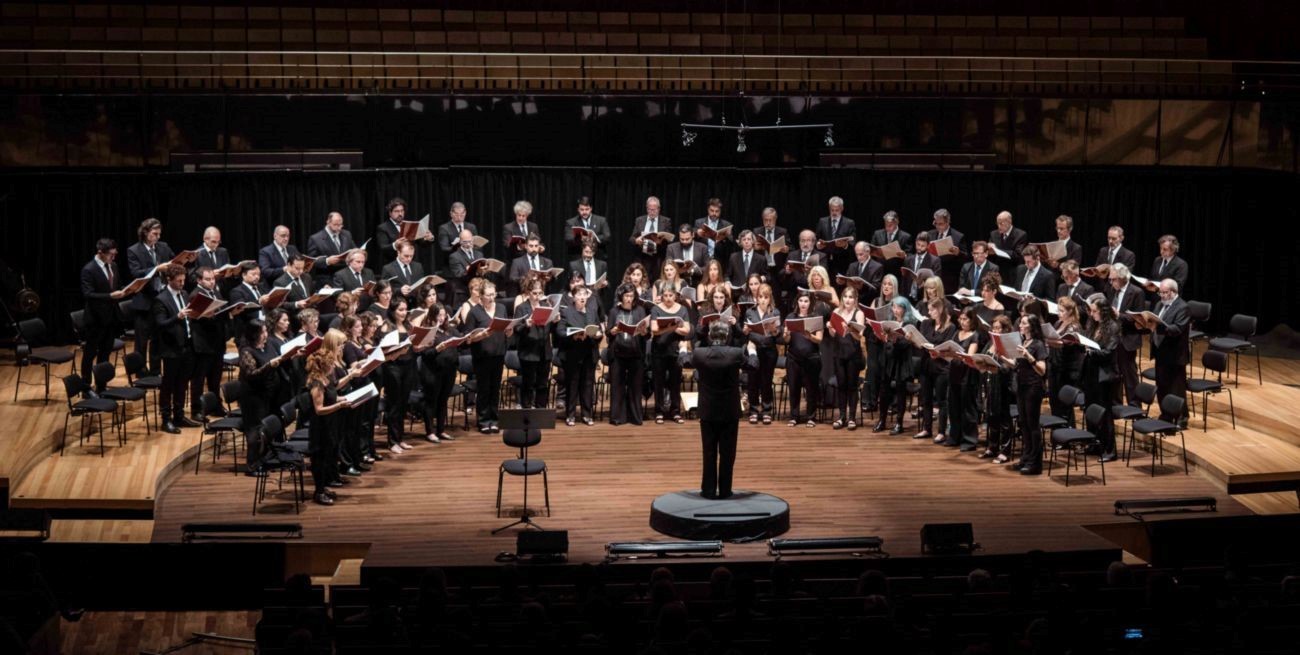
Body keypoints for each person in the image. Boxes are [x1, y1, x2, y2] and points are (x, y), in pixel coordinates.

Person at [692, 322, 753, 499]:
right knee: (728, 454)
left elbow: (683, 361)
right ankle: (725, 490)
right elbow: (753, 365)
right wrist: (752, 351)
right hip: (729, 410)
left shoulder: (699, 353)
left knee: (709, 453)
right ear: (727, 336)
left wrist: (681, 350)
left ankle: (708, 490)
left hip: (708, 410)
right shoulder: (736, 353)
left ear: (710, 336)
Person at [305, 329, 360, 505]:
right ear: (323, 366)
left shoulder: (325, 379)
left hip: (329, 423)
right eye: (330, 366)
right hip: (320, 427)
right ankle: (319, 492)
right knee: (319, 459)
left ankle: (323, 487)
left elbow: (332, 396)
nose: (332, 369)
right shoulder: (317, 383)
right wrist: (339, 405)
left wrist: (342, 399)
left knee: (327, 455)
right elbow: (319, 409)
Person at [152, 264, 199, 434]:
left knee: (182, 383)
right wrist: (177, 317)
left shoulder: (184, 294)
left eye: (183, 280)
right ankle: (166, 419)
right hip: (171, 348)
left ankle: (179, 416)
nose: (182, 283)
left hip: (186, 345)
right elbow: (160, 324)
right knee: (168, 385)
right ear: (169, 280)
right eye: (179, 281)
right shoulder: (161, 299)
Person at [1002, 315, 1049, 475]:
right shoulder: (1023, 342)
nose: (1020, 325)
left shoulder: (1038, 344)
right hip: (1021, 387)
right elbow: (1016, 365)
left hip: (1033, 387)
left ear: (1032, 326)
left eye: (1023, 323)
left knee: (1032, 425)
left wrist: (1029, 356)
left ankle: (1035, 463)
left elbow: (1042, 370)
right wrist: (1002, 357)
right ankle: (1026, 458)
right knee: (1023, 424)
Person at [126, 218, 174, 375]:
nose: (158, 237)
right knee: (141, 342)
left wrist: (183, 261)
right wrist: (156, 269)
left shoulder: (163, 247)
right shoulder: (134, 250)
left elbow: (173, 262)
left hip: (161, 300)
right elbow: (136, 273)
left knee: (157, 339)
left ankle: (155, 372)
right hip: (144, 302)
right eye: (155, 234)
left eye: (159, 234)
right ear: (145, 232)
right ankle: (140, 373)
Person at [189, 266, 238, 422]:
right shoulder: (196, 295)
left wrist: (229, 313)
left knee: (215, 377)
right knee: (199, 378)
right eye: (208, 279)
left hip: (217, 341)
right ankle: (197, 409)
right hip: (203, 342)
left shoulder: (215, 292)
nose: (212, 282)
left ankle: (216, 406)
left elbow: (220, 312)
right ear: (199, 280)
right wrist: (213, 316)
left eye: (213, 279)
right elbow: (197, 320)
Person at [465, 282, 513, 433]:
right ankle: (484, 421)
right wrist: (481, 335)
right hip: (482, 357)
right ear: (481, 296)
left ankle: (494, 419)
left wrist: (509, 332)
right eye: (488, 295)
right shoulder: (474, 312)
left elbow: (506, 330)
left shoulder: (501, 308)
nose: (492, 298)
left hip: (498, 354)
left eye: (494, 294)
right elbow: (468, 339)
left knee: (495, 389)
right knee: (484, 389)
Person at [238, 320, 283, 473]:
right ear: (254, 334)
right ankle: (252, 465)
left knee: (266, 428)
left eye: (266, 331)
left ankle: (265, 459)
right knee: (254, 431)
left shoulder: (268, 345)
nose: (266, 335)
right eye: (262, 332)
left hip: (268, 394)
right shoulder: (247, 351)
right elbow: (251, 375)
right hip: (253, 398)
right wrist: (269, 366)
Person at [80, 238, 127, 385]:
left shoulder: (113, 266)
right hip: (95, 319)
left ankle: (101, 385)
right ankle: (86, 386)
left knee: (105, 353)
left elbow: (117, 286)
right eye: (111, 255)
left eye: (115, 254)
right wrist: (110, 296)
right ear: (100, 253)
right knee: (90, 354)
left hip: (111, 318)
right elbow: (88, 294)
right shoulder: (89, 269)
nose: (113, 257)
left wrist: (127, 290)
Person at [1083, 295, 1122, 462]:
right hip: (1091, 373)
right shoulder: (1094, 325)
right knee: (1090, 409)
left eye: (1094, 311)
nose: (1092, 314)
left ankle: (1110, 450)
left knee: (1104, 413)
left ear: (1103, 311)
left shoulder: (1113, 327)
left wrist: (1091, 351)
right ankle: (1095, 444)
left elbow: (1109, 353)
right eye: (1091, 311)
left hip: (1104, 376)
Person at [824, 285, 867, 430]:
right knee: (841, 384)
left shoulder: (859, 313)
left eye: (850, 297)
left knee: (851, 386)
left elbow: (859, 336)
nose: (847, 300)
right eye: (845, 297)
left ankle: (852, 418)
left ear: (855, 299)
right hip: (839, 353)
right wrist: (830, 328)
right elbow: (833, 335)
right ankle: (842, 416)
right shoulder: (836, 311)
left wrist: (850, 330)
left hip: (853, 354)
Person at [1149, 279, 1190, 425]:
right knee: (1162, 386)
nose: (1161, 295)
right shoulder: (1160, 304)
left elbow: (1177, 329)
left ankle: (1181, 417)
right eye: (1160, 292)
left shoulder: (1183, 307)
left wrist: (1157, 326)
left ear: (1173, 292)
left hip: (1175, 355)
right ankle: (1166, 414)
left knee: (1176, 388)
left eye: (1164, 292)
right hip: (1160, 352)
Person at [945, 307, 987, 450]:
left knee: (967, 408)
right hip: (954, 373)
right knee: (954, 406)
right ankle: (954, 437)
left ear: (972, 320)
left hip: (967, 375)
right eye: (961, 319)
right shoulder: (956, 333)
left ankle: (969, 440)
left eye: (965, 319)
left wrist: (956, 354)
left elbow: (969, 356)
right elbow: (950, 352)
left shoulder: (974, 335)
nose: (962, 322)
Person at [606, 283, 649, 426]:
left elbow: (646, 335)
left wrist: (644, 332)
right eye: (626, 296)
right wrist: (612, 331)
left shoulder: (640, 311)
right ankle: (617, 417)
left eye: (631, 296)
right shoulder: (614, 311)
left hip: (635, 353)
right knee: (617, 387)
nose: (629, 299)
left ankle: (635, 417)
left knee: (635, 387)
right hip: (618, 353)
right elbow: (608, 332)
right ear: (621, 296)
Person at [417, 305, 461, 443]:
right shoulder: (428, 332)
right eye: (438, 315)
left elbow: (462, 340)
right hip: (432, 372)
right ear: (432, 316)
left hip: (449, 371)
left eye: (443, 315)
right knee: (431, 401)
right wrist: (437, 349)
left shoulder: (450, 329)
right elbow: (425, 354)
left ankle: (441, 430)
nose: (441, 318)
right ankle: (430, 432)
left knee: (443, 401)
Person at [559, 286, 602, 426]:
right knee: (572, 385)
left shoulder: (592, 311)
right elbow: (560, 331)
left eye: (584, 294)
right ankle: (570, 415)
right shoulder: (566, 312)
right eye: (579, 295)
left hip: (589, 352)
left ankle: (587, 414)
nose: (582, 297)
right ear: (573, 297)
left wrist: (598, 335)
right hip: (572, 353)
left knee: (588, 385)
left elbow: (598, 330)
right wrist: (574, 336)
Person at [650, 281, 691, 424]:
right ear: (662, 296)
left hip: (675, 350)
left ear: (675, 295)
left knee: (675, 382)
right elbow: (654, 330)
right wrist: (671, 328)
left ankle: (675, 411)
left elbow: (687, 330)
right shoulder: (656, 309)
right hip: (659, 350)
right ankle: (659, 411)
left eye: (670, 295)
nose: (668, 298)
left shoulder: (682, 309)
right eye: (665, 295)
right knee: (658, 382)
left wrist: (671, 328)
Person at [876, 297, 919, 434]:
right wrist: (884, 337)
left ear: (905, 309)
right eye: (893, 307)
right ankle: (882, 420)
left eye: (899, 307)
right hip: (889, 359)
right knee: (884, 390)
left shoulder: (910, 324)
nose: (895, 310)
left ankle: (899, 423)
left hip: (902, 361)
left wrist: (895, 340)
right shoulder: (890, 322)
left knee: (901, 392)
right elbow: (885, 342)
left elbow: (907, 344)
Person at [379, 298, 417, 452]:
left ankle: (400, 438)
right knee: (394, 404)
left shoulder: (408, 325)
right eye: (400, 310)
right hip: (393, 368)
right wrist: (399, 351)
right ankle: (392, 441)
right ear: (393, 311)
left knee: (403, 404)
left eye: (405, 309)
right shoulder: (387, 326)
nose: (404, 313)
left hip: (408, 366)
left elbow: (412, 347)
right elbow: (383, 351)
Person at [915, 297, 956, 441]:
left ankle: (941, 432)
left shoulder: (950, 327)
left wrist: (938, 352)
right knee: (926, 399)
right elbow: (921, 342)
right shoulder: (926, 323)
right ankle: (926, 429)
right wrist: (913, 339)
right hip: (926, 365)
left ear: (939, 310)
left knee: (941, 400)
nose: (929, 312)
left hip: (941, 367)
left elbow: (948, 347)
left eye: (932, 309)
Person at [782, 291, 823, 427]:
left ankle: (811, 417)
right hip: (793, 358)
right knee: (794, 388)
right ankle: (794, 416)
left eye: (806, 301)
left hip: (811, 358)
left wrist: (810, 337)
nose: (803, 304)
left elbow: (819, 339)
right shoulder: (791, 317)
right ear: (797, 302)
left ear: (810, 302)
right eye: (801, 301)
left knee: (811, 388)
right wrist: (786, 334)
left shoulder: (815, 317)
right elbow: (786, 340)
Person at [743, 282, 781, 425]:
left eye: (766, 297)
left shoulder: (775, 312)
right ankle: (753, 410)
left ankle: (766, 411)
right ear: (757, 298)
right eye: (760, 297)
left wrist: (775, 331)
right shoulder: (750, 312)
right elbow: (745, 332)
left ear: (770, 298)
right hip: (754, 349)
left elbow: (778, 334)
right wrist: (746, 330)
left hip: (769, 350)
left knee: (766, 381)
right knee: (753, 381)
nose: (763, 300)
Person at [513, 277, 554, 409]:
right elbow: (516, 329)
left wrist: (555, 320)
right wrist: (526, 324)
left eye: (540, 293)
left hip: (544, 351)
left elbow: (551, 329)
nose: (537, 296)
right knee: (528, 384)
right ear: (528, 293)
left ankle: (541, 410)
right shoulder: (521, 308)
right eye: (535, 293)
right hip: (529, 352)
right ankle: (527, 411)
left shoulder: (546, 306)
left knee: (542, 384)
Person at [1107, 263, 1145, 406]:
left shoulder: (1136, 292)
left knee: (1129, 376)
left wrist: (1119, 315)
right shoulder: (1112, 290)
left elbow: (1139, 318)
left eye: (1113, 279)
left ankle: (1135, 407)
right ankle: (1116, 405)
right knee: (1115, 373)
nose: (1111, 282)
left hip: (1127, 338)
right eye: (1110, 279)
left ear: (1123, 278)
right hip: (1113, 337)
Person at [981, 314, 1017, 463]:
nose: (995, 330)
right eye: (994, 328)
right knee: (992, 416)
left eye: (998, 328)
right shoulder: (991, 342)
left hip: (1003, 385)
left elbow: (1010, 368)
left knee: (1004, 418)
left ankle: (1005, 451)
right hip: (991, 383)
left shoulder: (1008, 345)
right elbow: (983, 356)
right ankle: (992, 447)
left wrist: (997, 364)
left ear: (1005, 329)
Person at [1047, 297, 1086, 428]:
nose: (1059, 313)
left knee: (1064, 403)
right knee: (1054, 401)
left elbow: (1063, 343)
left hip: (1066, 370)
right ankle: (1057, 430)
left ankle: (1067, 430)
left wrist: (1047, 340)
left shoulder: (1075, 327)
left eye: (1062, 311)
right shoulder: (1058, 323)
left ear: (1070, 311)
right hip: (1055, 366)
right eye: (1058, 310)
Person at [863, 273, 899, 413]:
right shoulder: (876, 301)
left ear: (895, 287)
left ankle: (890, 403)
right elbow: (870, 316)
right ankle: (871, 402)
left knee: (887, 371)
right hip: (875, 339)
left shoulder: (898, 303)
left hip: (889, 341)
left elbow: (899, 321)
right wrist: (869, 321)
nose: (886, 287)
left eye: (890, 284)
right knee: (873, 369)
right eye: (884, 284)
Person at [306, 211, 358, 286]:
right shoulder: (316, 238)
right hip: (328, 278)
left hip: (346, 276)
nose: (339, 228)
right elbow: (311, 261)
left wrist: (357, 253)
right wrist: (327, 261)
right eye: (335, 224)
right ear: (328, 222)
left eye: (340, 225)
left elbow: (354, 250)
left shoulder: (346, 234)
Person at [630, 195, 673, 277]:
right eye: (650, 209)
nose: (652, 212)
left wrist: (661, 241)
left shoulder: (666, 221)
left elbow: (669, 239)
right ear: (647, 209)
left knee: (657, 279)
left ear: (659, 209)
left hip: (658, 256)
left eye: (654, 209)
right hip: (643, 256)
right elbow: (632, 238)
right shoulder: (639, 220)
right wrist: (636, 240)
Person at [815, 196, 856, 277]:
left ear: (842, 208)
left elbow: (853, 242)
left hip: (842, 261)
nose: (834, 213)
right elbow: (816, 238)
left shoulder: (849, 223)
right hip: (825, 260)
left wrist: (845, 245)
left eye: (837, 210)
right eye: (832, 210)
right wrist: (818, 245)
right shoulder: (822, 221)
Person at [926, 208, 965, 293]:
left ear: (948, 222)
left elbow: (965, 258)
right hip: (932, 276)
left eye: (940, 224)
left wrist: (958, 253)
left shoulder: (958, 236)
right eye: (936, 223)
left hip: (949, 278)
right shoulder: (929, 234)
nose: (937, 226)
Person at [899, 232, 942, 301]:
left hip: (923, 298)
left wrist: (924, 284)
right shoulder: (908, 259)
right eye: (918, 244)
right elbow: (904, 281)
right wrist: (902, 297)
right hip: (908, 297)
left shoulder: (935, 261)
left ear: (928, 246)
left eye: (923, 246)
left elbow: (936, 282)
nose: (919, 248)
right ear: (915, 242)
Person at [694, 197, 735, 265]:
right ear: (708, 210)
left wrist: (726, 237)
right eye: (712, 211)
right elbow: (693, 239)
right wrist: (697, 233)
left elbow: (731, 244)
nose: (714, 213)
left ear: (720, 211)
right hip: (703, 258)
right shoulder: (699, 222)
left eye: (717, 211)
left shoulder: (726, 224)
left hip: (719, 259)